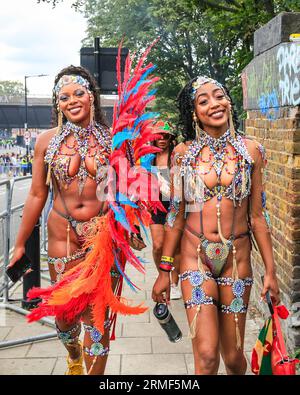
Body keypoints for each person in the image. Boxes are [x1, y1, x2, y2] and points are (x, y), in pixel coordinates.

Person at [8, 44, 162, 376]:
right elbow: (37, 194)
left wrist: (130, 226)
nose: (72, 100)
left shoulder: (113, 139)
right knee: (64, 316)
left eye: (79, 92)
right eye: (64, 97)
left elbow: (122, 192)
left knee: (97, 320)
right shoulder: (46, 142)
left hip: (101, 240)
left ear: (91, 96)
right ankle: (72, 351)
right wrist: (20, 243)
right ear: (57, 104)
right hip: (62, 235)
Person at [152, 76, 280, 375]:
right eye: (204, 101)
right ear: (194, 113)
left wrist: (271, 272)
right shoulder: (183, 154)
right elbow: (176, 215)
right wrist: (164, 269)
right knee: (207, 357)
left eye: (219, 95)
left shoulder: (252, 151)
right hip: (195, 259)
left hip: (237, 261)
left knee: (234, 361)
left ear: (229, 101)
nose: (214, 104)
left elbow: (258, 216)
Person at [150, 120, 181, 299]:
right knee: (158, 246)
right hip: (156, 207)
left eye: (166, 136)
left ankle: (174, 282)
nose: (162, 139)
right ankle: (164, 275)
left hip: (175, 206)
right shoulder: (148, 157)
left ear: (171, 138)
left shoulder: (176, 155)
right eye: (158, 136)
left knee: (175, 247)